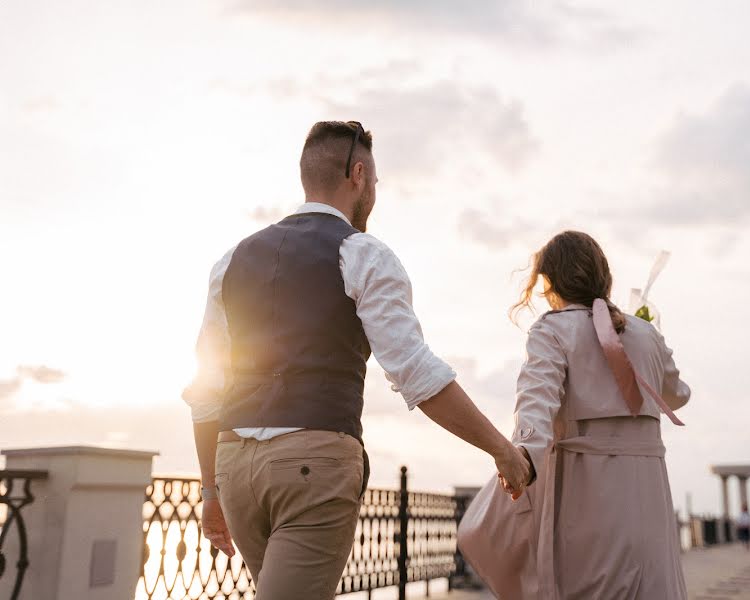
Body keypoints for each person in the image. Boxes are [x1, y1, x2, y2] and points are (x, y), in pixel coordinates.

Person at [182, 121, 531, 600]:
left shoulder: (231, 261)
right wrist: (502, 450)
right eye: (376, 184)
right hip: (313, 466)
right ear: (359, 175)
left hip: (234, 468)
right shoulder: (362, 253)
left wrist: (209, 491)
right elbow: (416, 372)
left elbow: (205, 391)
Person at [458, 231, 691, 599]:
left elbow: (536, 403)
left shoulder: (552, 329)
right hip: (649, 495)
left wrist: (523, 459)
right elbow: (678, 396)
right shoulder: (646, 333)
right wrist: (649, 343)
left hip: (589, 494)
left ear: (550, 281)